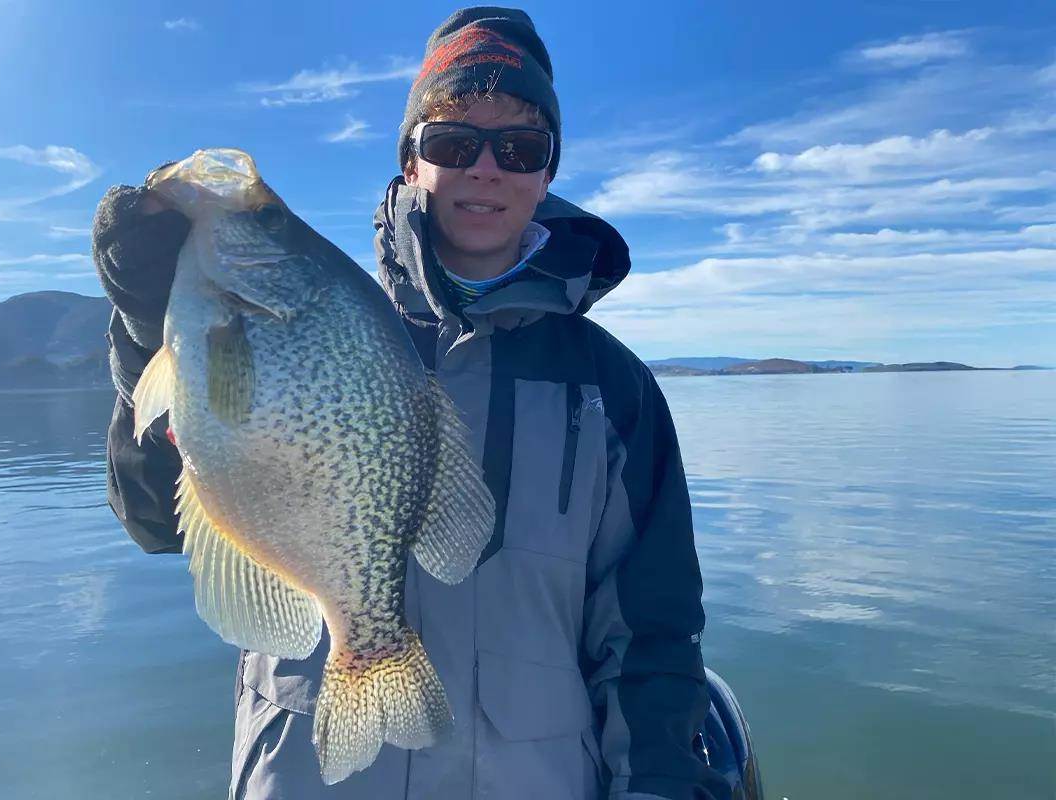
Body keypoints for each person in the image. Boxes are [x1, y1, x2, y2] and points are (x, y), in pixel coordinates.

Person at [92, 7, 737, 799]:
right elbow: (154, 520)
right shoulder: (323, 318)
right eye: (453, 142)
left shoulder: (613, 389)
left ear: (548, 172)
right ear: (409, 161)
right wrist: (143, 329)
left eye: (521, 147)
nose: (486, 168)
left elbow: (653, 634)